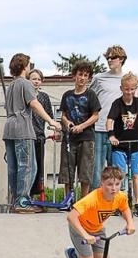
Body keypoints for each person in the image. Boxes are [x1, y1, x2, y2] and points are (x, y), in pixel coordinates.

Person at [63, 166, 137, 258]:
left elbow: (125, 208)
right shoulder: (92, 198)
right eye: (109, 184)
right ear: (101, 184)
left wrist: (130, 223)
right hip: (80, 228)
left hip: (97, 229)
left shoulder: (120, 197)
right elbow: (71, 216)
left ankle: (74, 254)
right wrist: (85, 234)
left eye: (117, 184)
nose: (113, 188)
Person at [3, 54, 62, 212]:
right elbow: (34, 104)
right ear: (24, 66)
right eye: (28, 65)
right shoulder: (25, 84)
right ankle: (23, 201)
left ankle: (15, 200)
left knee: (13, 167)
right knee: (29, 166)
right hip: (23, 128)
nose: (29, 67)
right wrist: (51, 121)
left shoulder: (11, 85)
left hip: (9, 128)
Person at [105, 72, 138, 216]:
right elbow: (109, 121)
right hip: (120, 146)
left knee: (136, 174)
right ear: (121, 88)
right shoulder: (117, 103)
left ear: (136, 88)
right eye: (126, 89)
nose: (129, 92)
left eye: (132, 89)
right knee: (120, 175)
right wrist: (111, 135)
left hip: (135, 145)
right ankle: (118, 202)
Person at [59, 61, 101, 201]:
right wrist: (67, 122)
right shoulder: (67, 95)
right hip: (70, 138)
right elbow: (63, 114)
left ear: (88, 78)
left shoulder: (91, 95)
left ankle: (84, 201)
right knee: (67, 171)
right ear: (74, 76)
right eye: (80, 74)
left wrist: (82, 126)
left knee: (85, 171)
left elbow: (95, 116)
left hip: (86, 138)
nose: (82, 78)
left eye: (85, 75)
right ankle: (68, 199)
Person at [91, 46, 128, 188]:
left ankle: (118, 199)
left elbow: (135, 97)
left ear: (121, 59)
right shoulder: (99, 78)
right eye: (108, 57)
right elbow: (90, 98)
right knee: (98, 167)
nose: (109, 60)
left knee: (118, 167)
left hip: (118, 130)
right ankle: (97, 198)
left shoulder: (125, 79)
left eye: (113, 57)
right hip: (100, 127)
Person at [28, 69, 55, 202]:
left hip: (39, 136)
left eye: (39, 79)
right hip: (27, 135)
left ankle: (38, 196)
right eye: (34, 79)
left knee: (39, 167)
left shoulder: (44, 97)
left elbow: (50, 115)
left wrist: (55, 130)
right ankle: (26, 195)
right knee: (28, 166)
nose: (36, 81)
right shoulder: (25, 95)